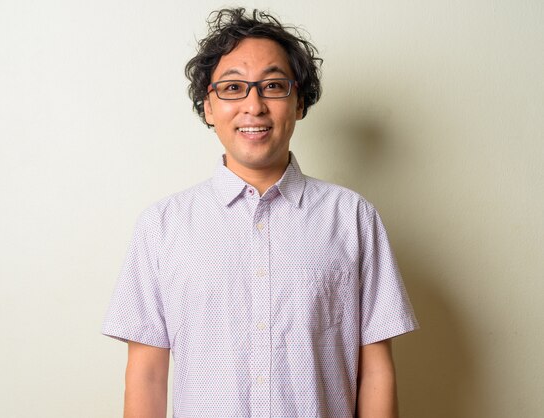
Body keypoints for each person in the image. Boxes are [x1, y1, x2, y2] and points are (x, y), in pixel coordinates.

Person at [103, 8, 418, 418]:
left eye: (272, 86)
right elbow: (146, 374)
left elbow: (375, 370)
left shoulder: (354, 218)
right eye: (233, 87)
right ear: (208, 107)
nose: (254, 105)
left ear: (299, 101)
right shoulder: (162, 226)